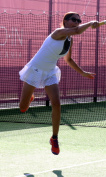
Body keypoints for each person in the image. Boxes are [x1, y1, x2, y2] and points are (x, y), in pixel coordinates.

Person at [19, 12, 99, 155]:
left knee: (56, 103)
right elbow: (77, 31)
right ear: (66, 21)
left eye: (79, 20)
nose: (77, 22)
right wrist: (91, 22)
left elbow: (68, 60)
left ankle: (54, 137)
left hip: (50, 72)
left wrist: (83, 73)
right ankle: (30, 96)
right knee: (23, 107)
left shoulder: (70, 40)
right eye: (74, 20)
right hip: (35, 69)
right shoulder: (58, 32)